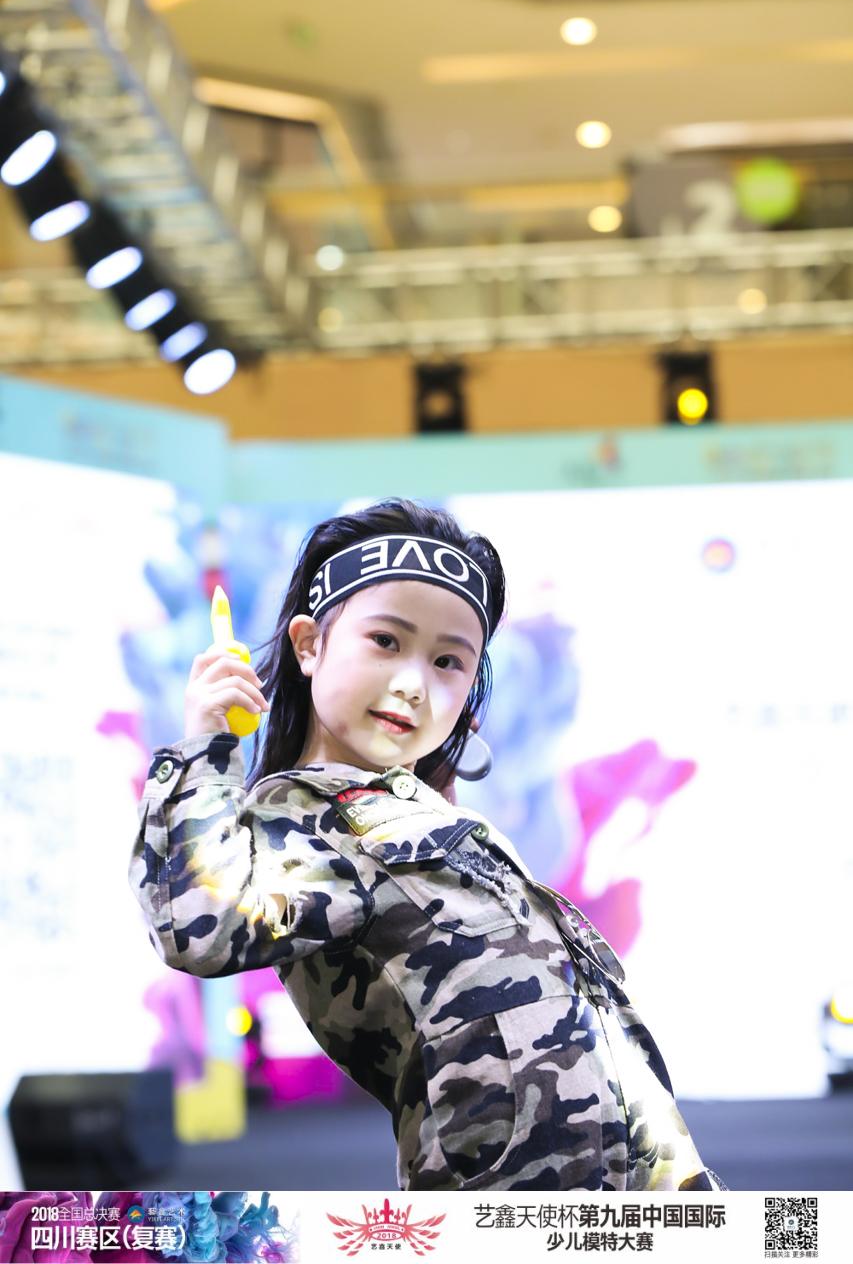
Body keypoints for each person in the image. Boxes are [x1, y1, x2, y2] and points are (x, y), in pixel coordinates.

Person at [130, 497, 724, 1192]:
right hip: (504, 1216)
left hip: (630, 1210)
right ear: (309, 644)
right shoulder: (308, 817)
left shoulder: (450, 824)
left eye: (447, 661)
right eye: (386, 641)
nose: (413, 685)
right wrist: (204, 748)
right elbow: (200, 925)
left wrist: (690, 1195)